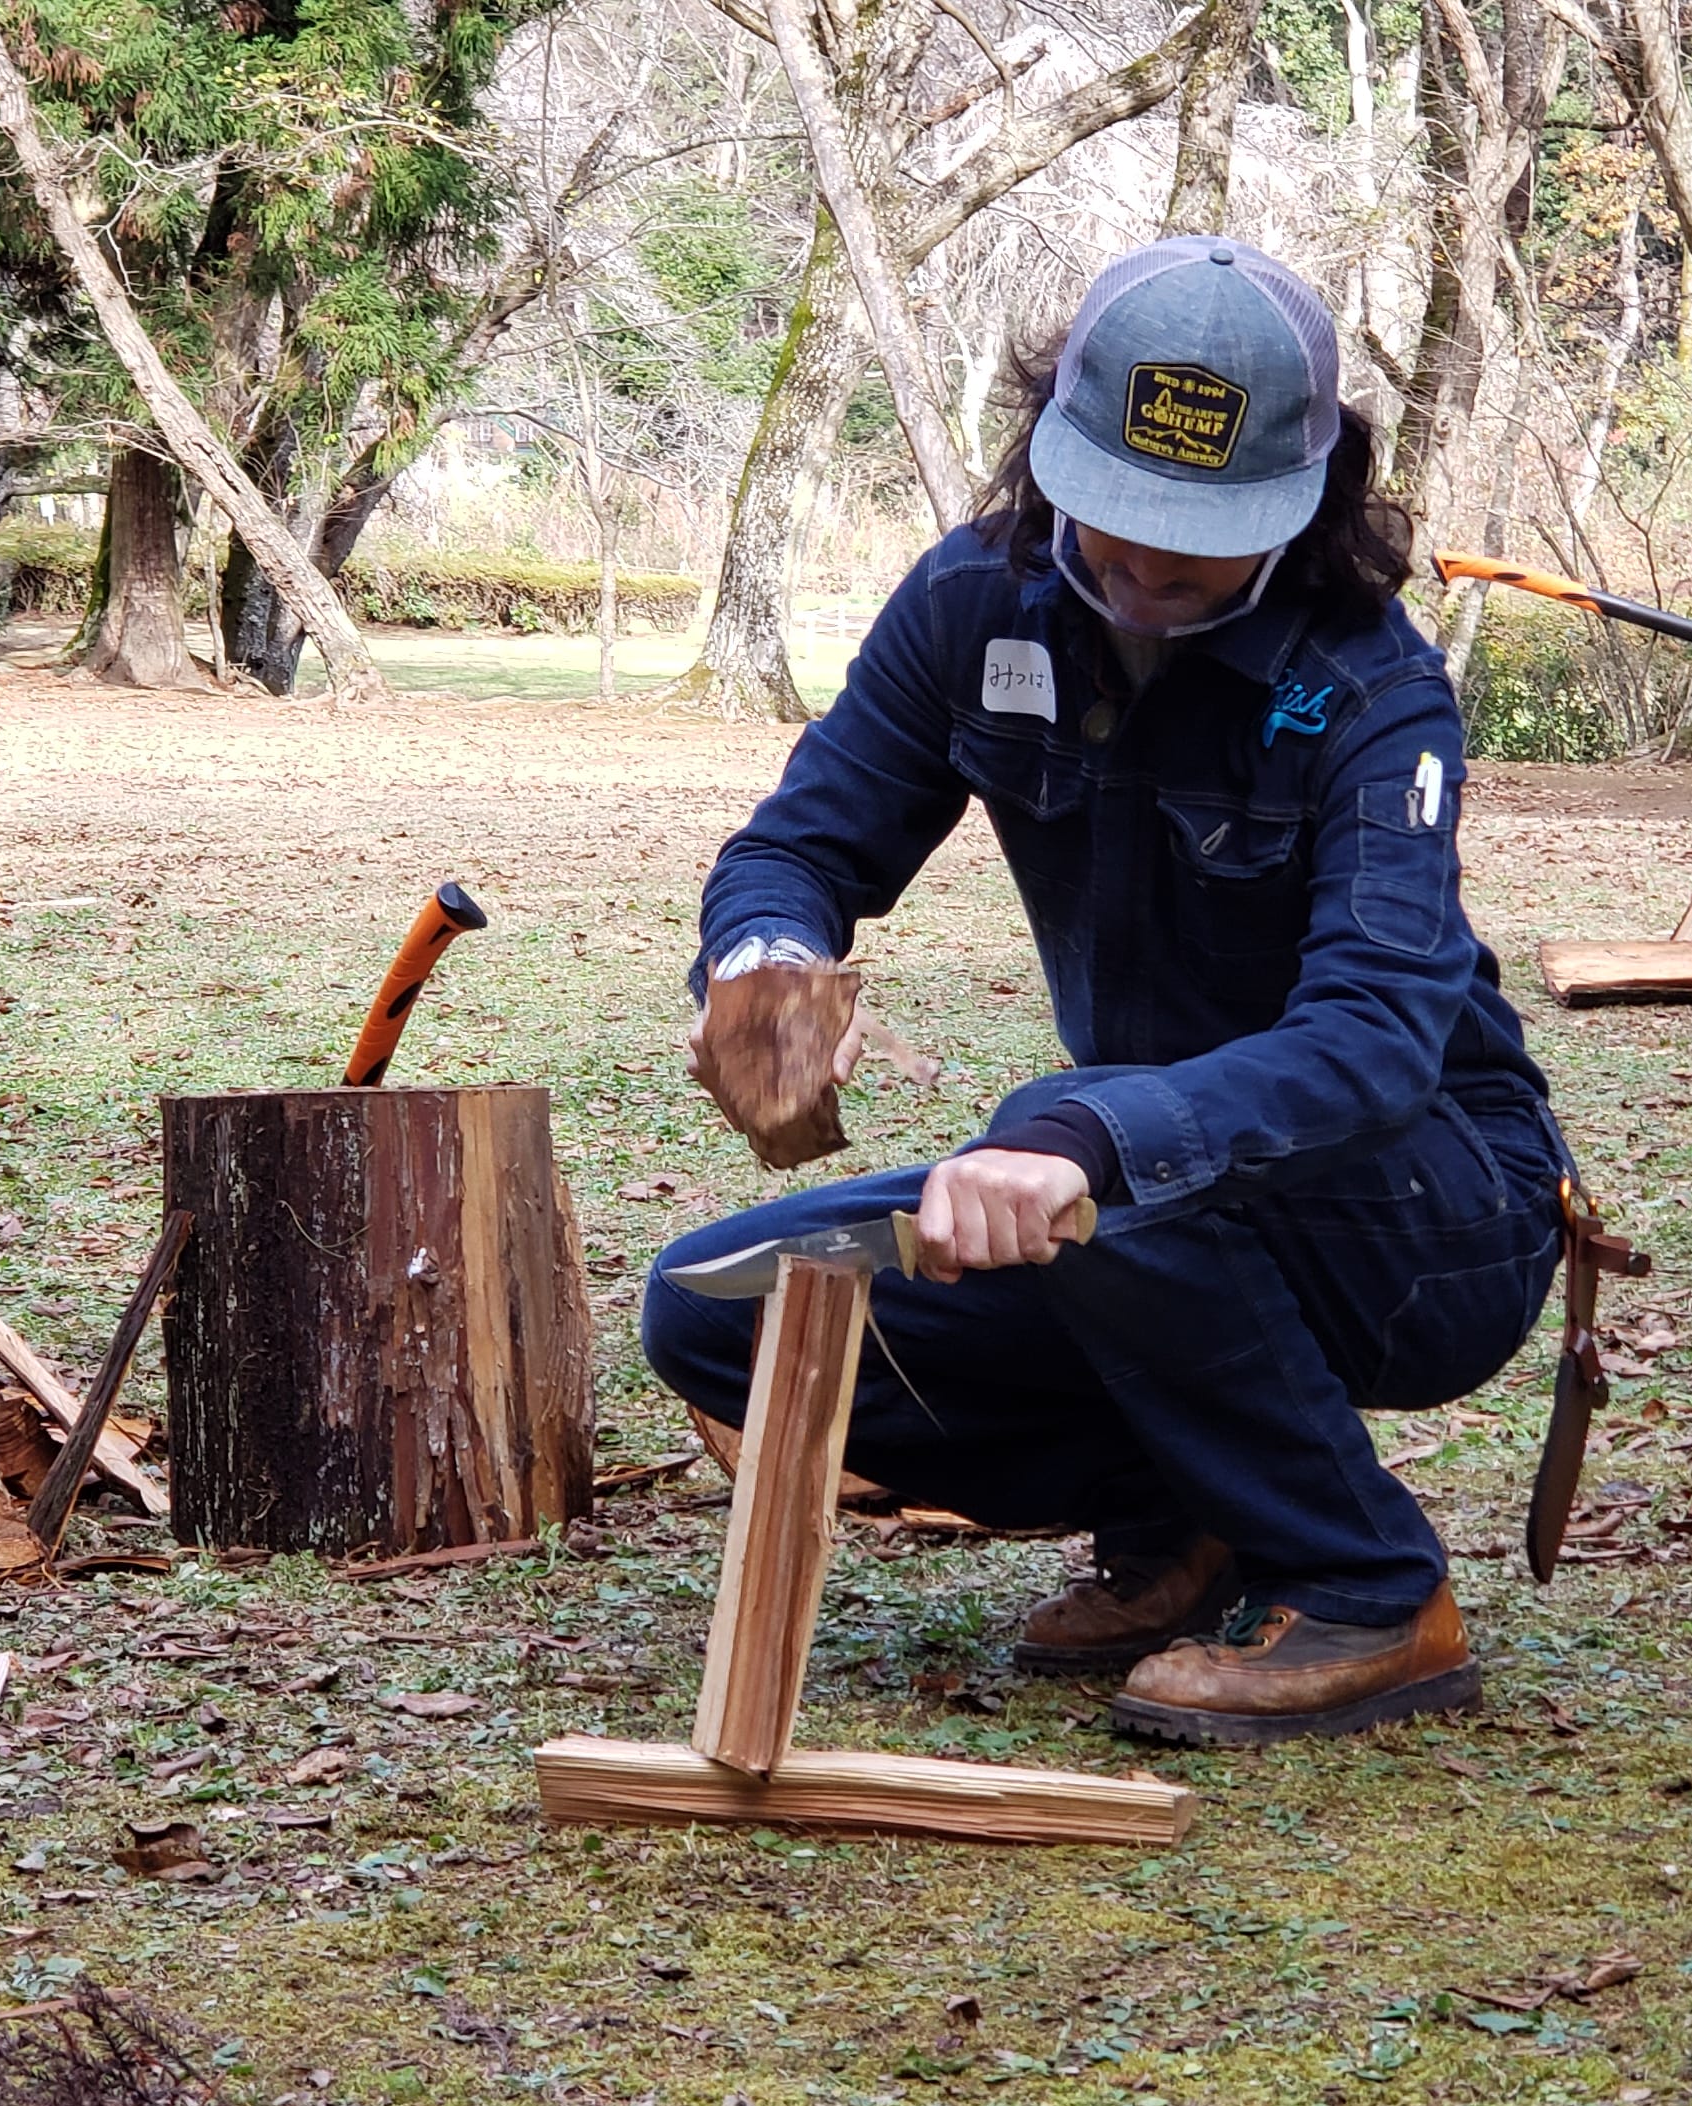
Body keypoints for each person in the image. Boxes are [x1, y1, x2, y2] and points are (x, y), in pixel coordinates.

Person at [640, 237, 1570, 1747]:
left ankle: (1369, 1591)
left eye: (1193, 541)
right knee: (714, 1311)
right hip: (1148, 1207)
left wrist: (1085, 1141)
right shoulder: (969, 604)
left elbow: (1375, 1043)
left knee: (1081, 1146)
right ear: (1046, 449)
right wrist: (764, 968)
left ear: (1309, 498)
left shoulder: (1371, 688)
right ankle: (1187, 1518)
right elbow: (802, 842)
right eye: (1114, 523)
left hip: (1431, 1217)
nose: (1139, 575)